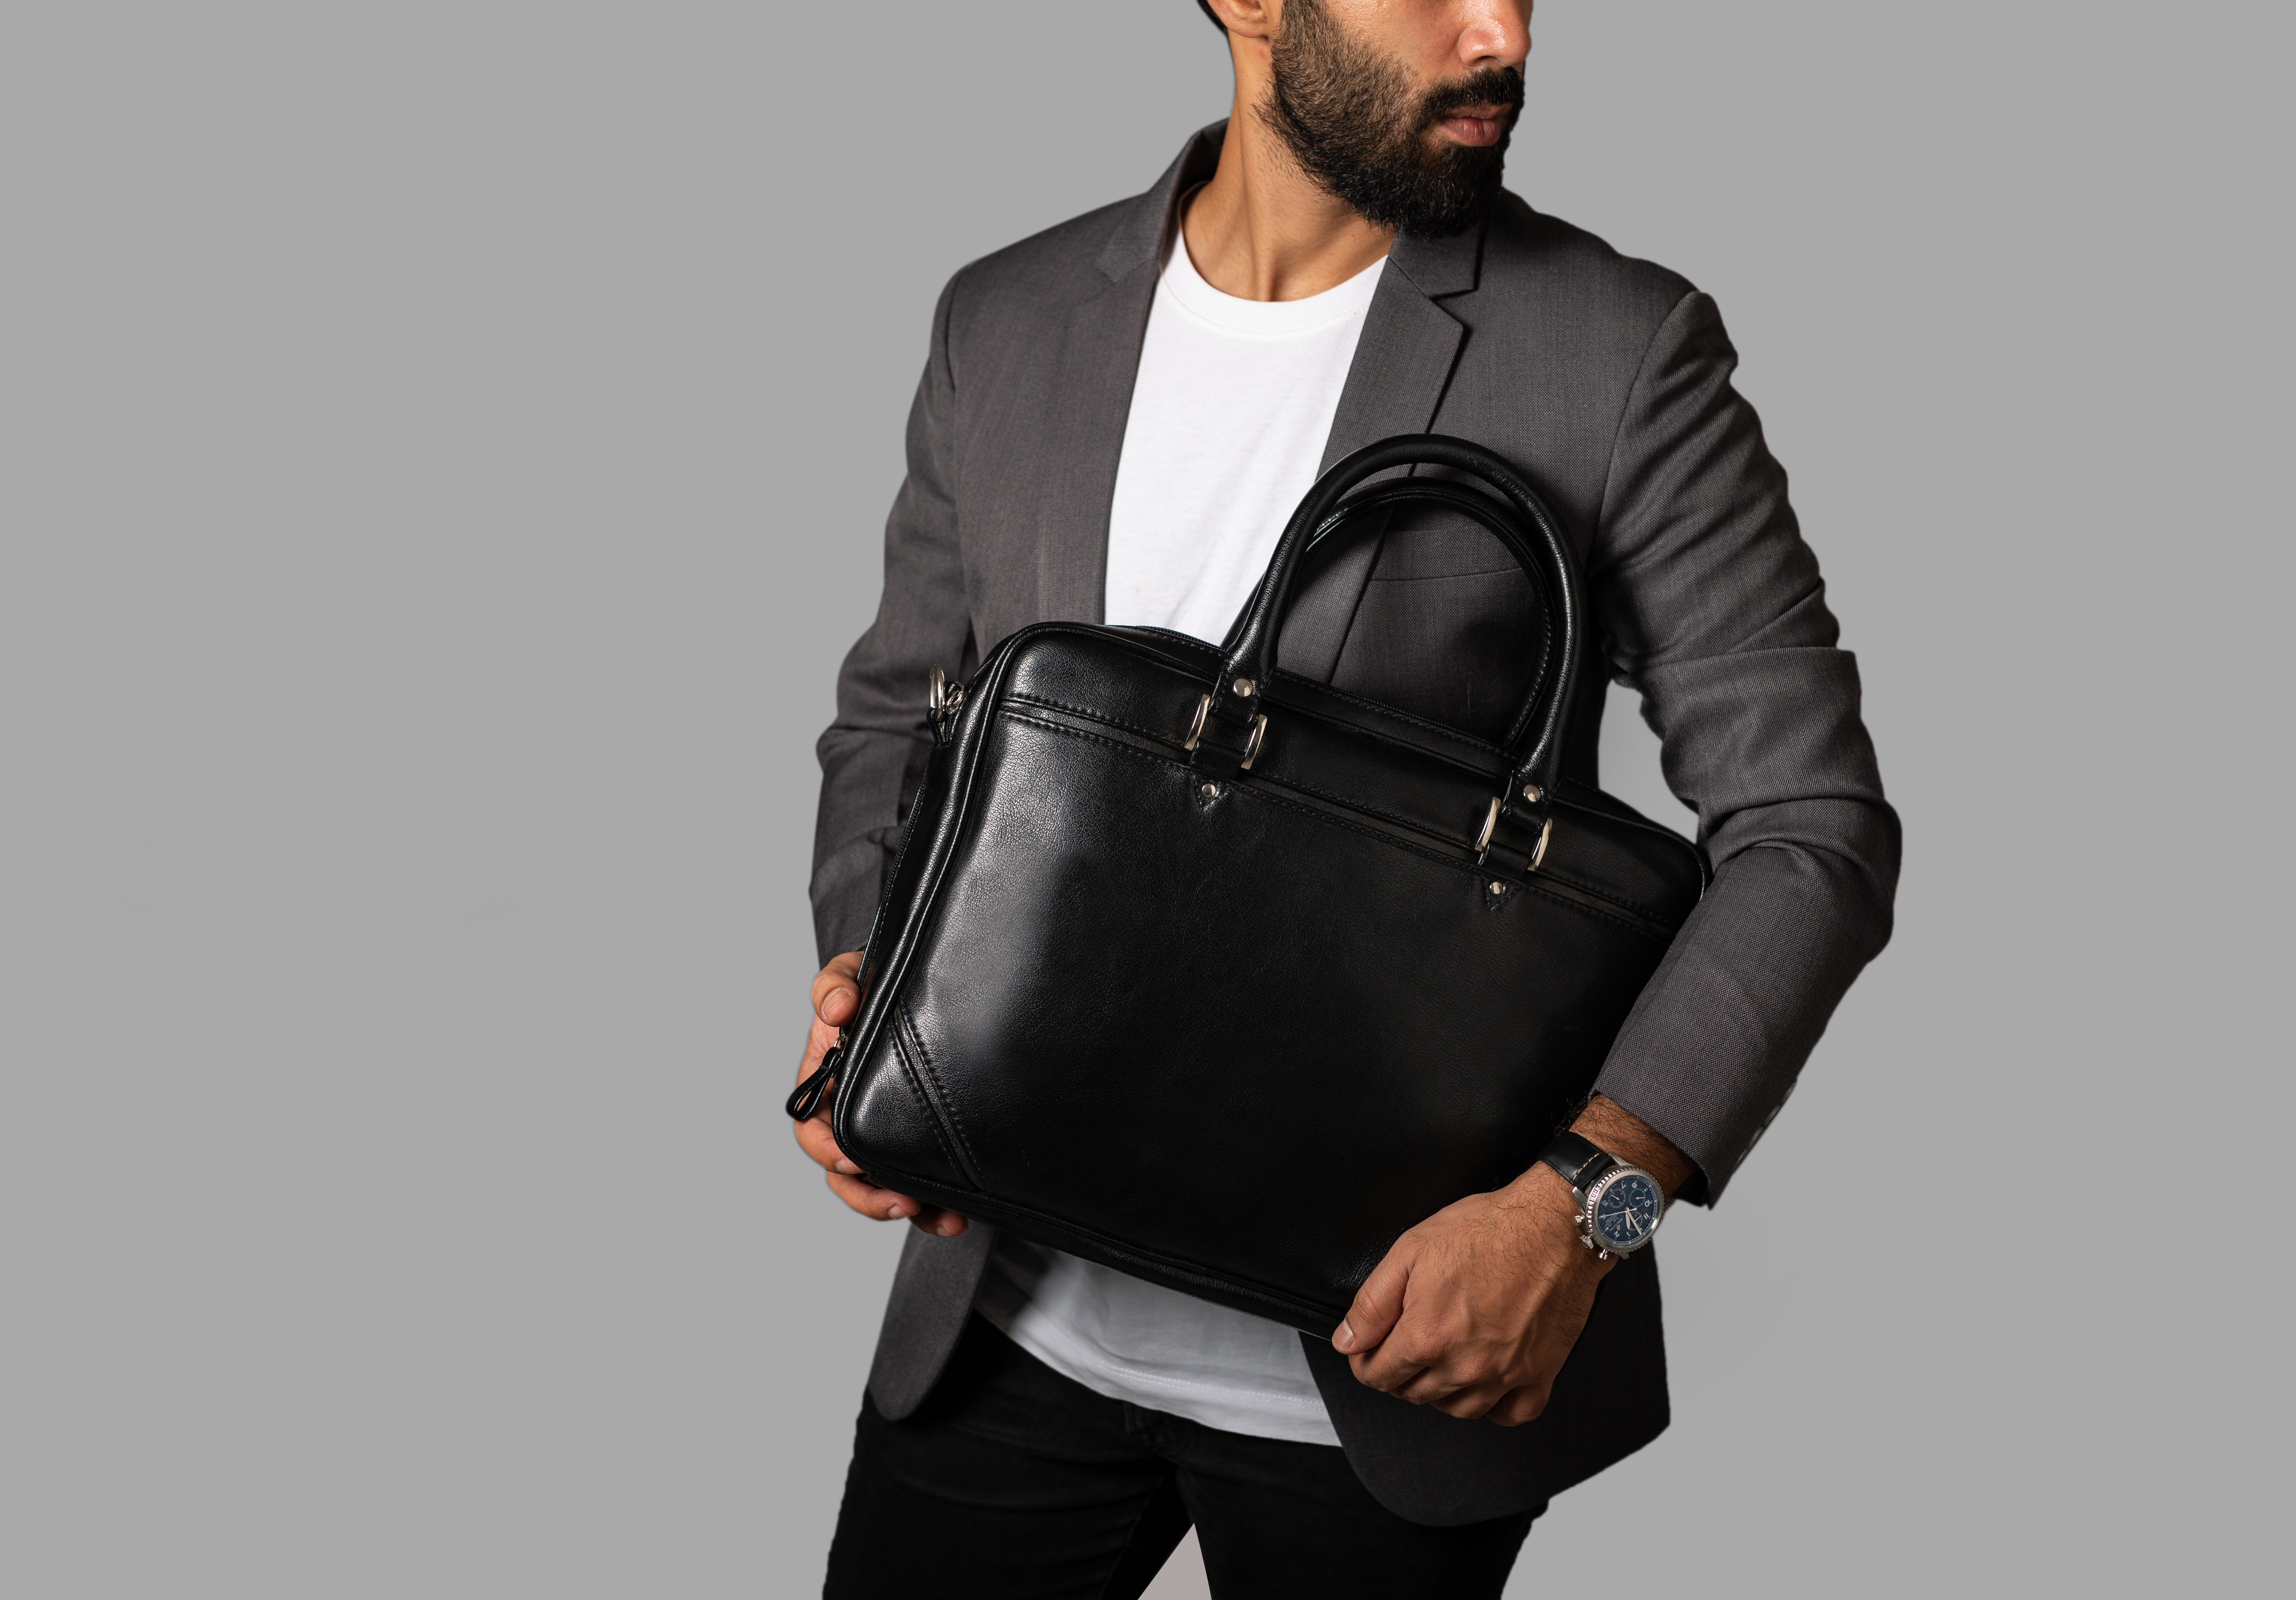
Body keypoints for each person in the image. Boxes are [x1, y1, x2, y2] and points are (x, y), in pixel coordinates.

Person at [791, 2, 1899, 1592]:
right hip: (996, 1327)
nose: (1501, 32)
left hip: (1389, 1381)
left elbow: (1809, 829)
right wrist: (867, 981)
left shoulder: (1615, 348)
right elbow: (896, 722)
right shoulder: (1008, 317)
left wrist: (1584, 1206)